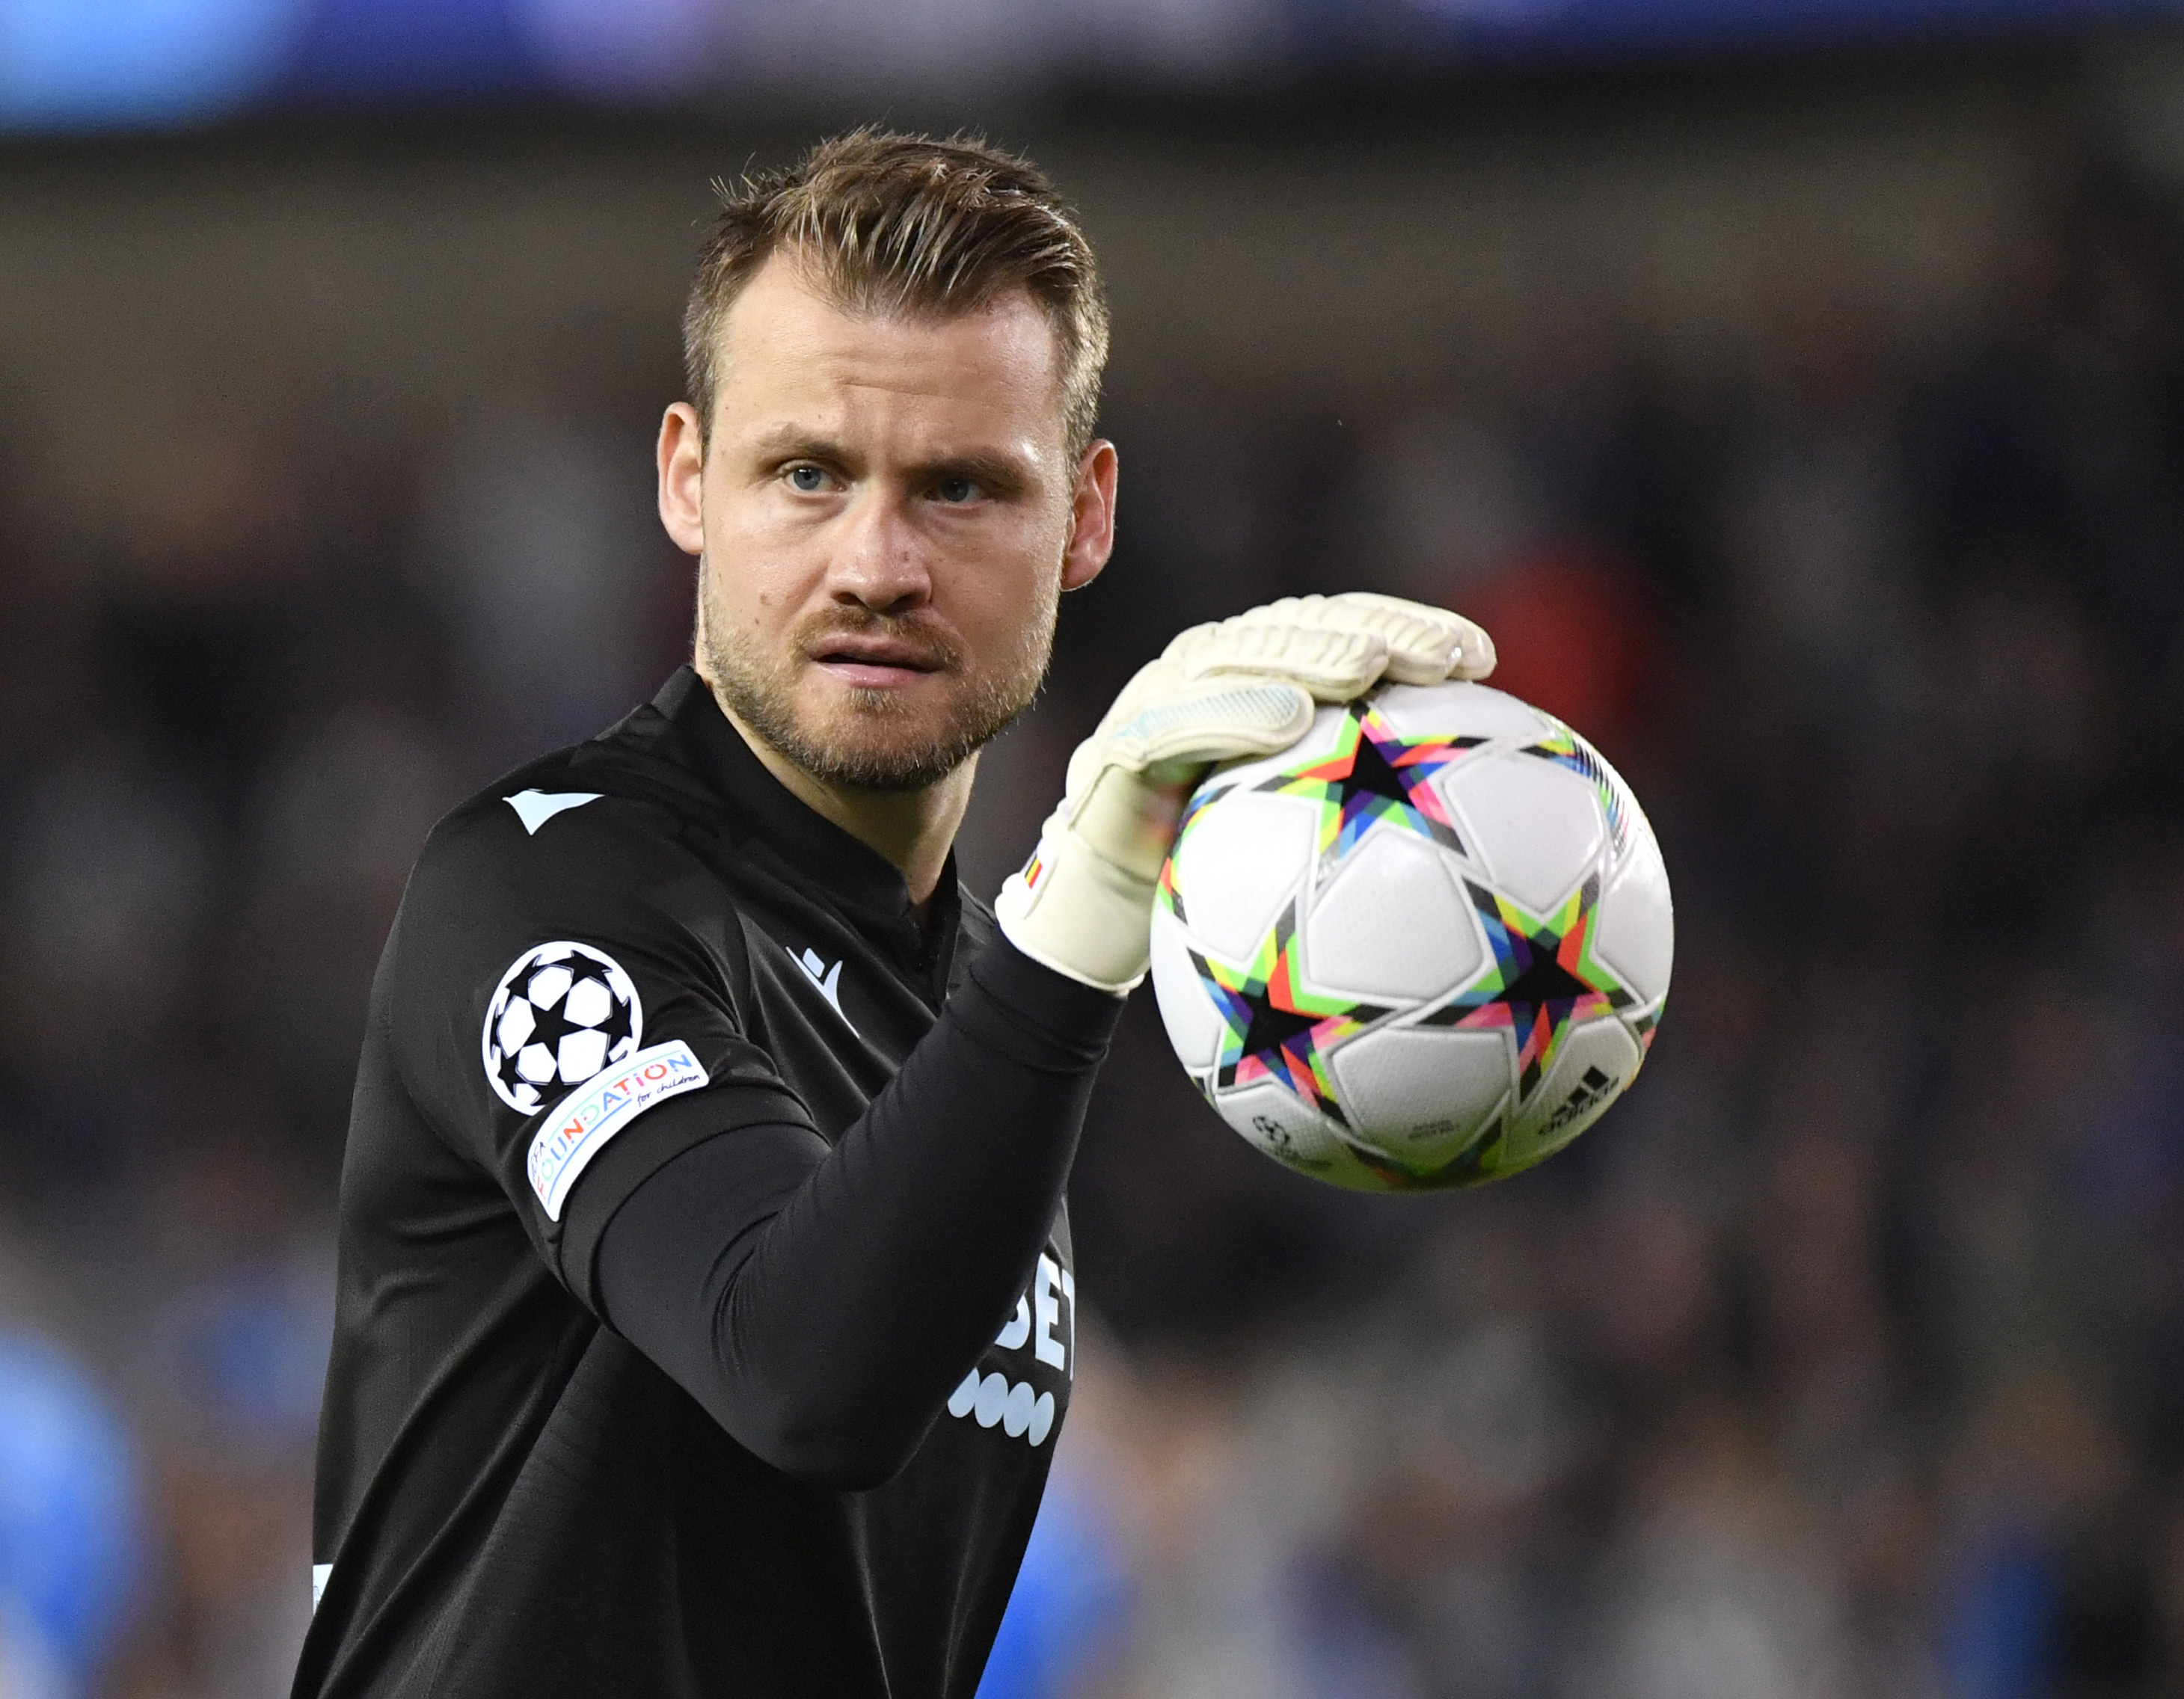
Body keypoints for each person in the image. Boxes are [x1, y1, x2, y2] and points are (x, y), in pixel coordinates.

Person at [292, 128, 1494, 1699]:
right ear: (684, 479)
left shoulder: (995, 998)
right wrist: (1091, 897)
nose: (877, 561)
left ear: (1085, 515)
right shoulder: (542, 892)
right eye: (808, 473)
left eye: (961, 488)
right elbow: (802, 1369)